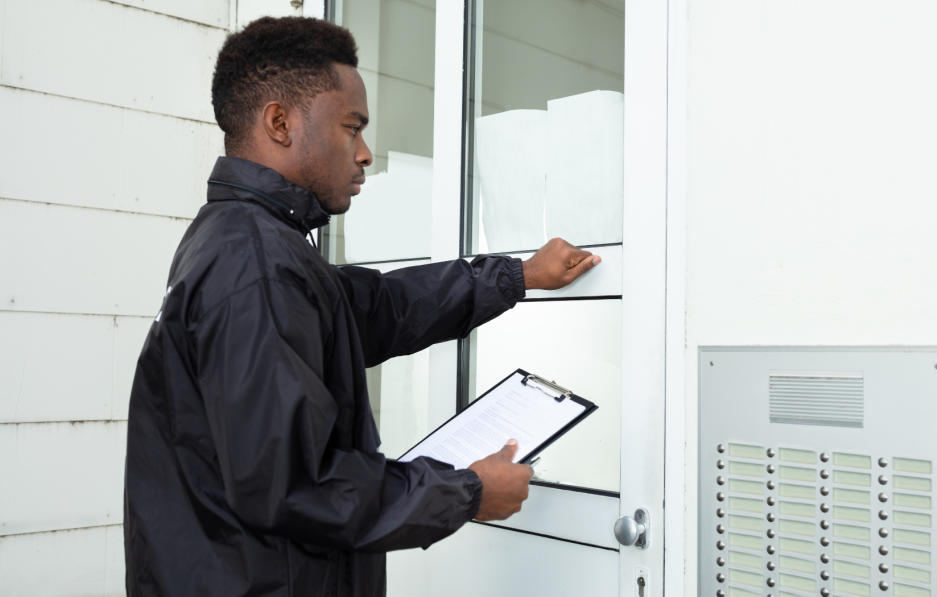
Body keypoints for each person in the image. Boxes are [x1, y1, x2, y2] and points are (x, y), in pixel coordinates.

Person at [122, 16, 601, 597]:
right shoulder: (255, 265)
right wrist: (468, 493)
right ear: (280, 122)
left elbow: (381, 307)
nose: (366, 153)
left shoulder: (251, 243)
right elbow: (296, 484)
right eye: (352, 128)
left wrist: (518, 275)